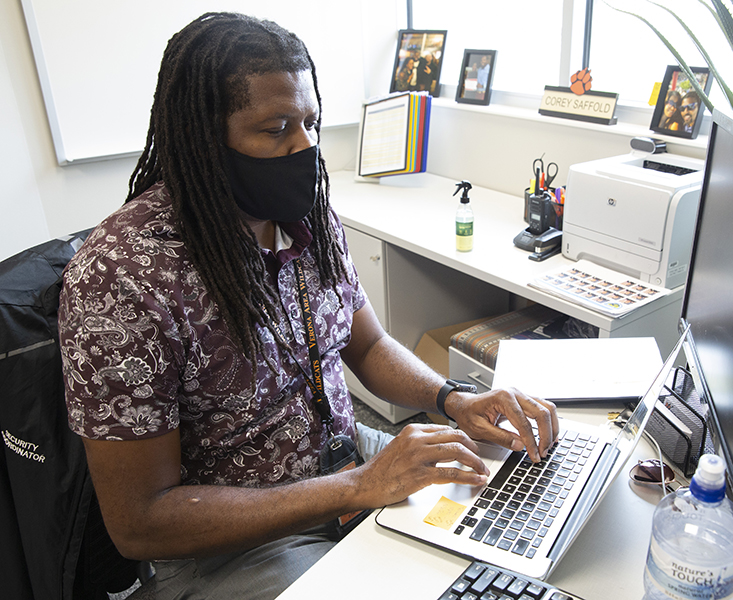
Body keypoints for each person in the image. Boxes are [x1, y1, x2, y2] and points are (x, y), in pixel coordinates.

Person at [57, 12, 558, 600]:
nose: (306, 147)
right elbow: (140, 522)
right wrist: (355, 489)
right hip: (231, 547)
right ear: (202, 137)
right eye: (276, 130)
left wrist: (453, 399)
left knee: (507, 483)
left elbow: (365, 344)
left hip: (343, 465)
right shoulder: (122, 278)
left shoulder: (305, 218)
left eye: (312, 122)